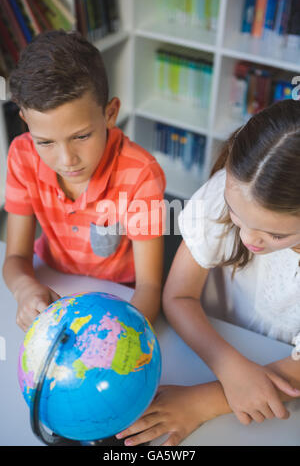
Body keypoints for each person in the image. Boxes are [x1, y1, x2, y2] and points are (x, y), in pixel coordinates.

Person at [115, 99, 300, 446]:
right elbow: (178, 294)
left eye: (276, 234)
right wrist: (228, 366)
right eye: (236, 215)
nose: (248, 239)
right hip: (213, 337)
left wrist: (205, 401)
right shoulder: (226, 192)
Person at [2, 30, 166, 332]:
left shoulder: (141, 173)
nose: (66, 160)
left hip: (119, 295)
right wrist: (25, 289)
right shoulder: (22, 155)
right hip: (53, 279)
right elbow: (15, 258)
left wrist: (120, 337)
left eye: (81, 136)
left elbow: (150, 287)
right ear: (25, 120)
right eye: (46, 142)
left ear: (110, 114)